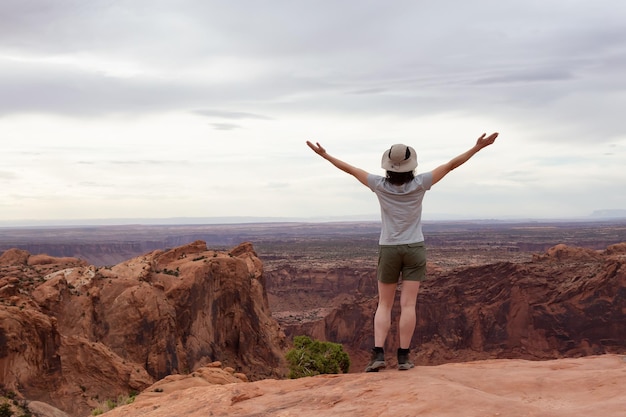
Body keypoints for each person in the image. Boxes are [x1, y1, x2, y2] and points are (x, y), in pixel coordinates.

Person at [306, 132, 499, 371]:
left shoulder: (378, 185)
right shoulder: (421, 184)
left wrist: (325, 156)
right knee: (408, 305)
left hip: (389, 248)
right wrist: (477, 148)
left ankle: (378, 356)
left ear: (387, 167)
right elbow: (450, 165)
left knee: (384, 305)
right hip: (414, 247)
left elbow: (351, 169)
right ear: (411, 166)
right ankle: (404, 358)